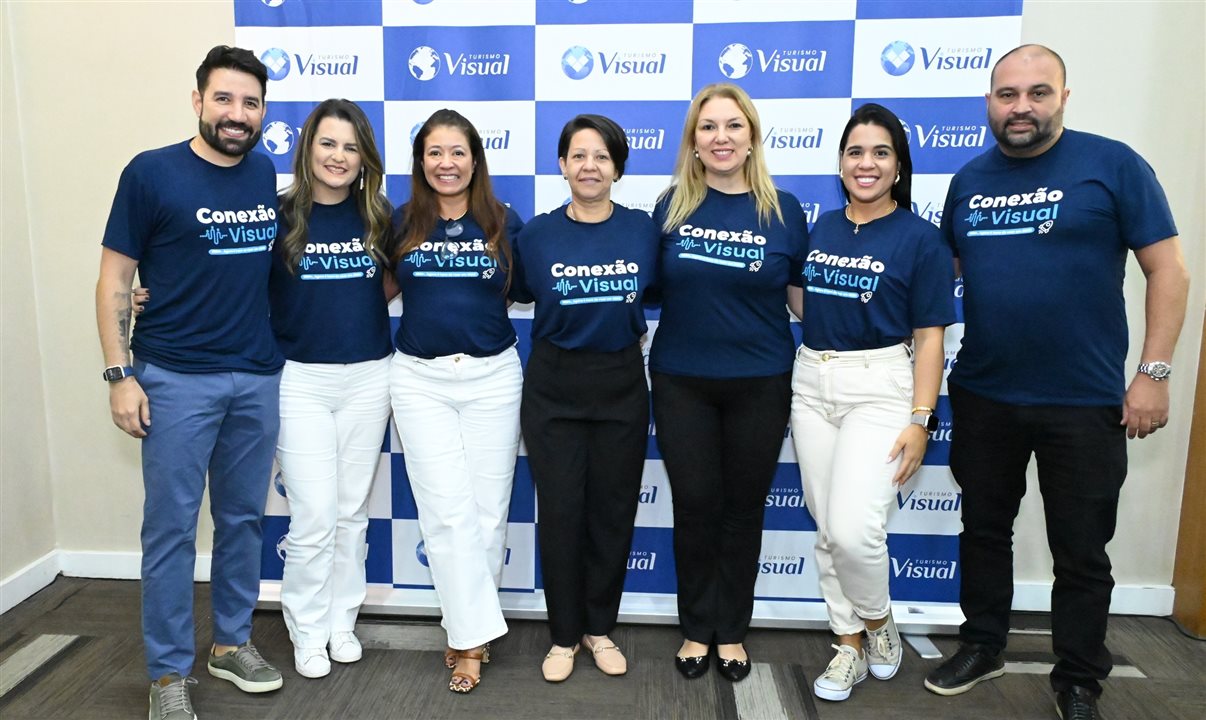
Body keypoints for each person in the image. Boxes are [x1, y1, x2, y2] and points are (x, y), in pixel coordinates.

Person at [922, 45, 1189, 720]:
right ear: (989, 101)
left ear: (1063, 97)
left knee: (1080, 549)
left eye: (1037, 93)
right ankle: (983, 645)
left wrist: (1152, 375)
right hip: (985, 392)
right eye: (1007, 94)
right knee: (983, 530)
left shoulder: (1113, 165)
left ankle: (1078, 678)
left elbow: (1170, 272)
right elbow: (938, 278)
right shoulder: (969, 179)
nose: (1021, 107)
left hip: (1086, 398)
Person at [95, 45, 285, 720]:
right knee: (171, 530)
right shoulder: (150, 174)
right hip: (174, 378)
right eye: (225, 99)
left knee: (241, 520)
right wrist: (121, 374)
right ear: (198, 100)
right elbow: (116, 278)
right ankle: (169, 671)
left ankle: (230, 644)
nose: (237, 114)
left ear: (262, 112)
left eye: (251, 102)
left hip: (256, 378)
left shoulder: (264, 174)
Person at [788, 103, 955, 702]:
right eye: (855, 152)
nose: (867, 163)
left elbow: (932, 336)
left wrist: (921, 418)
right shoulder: (823, 227)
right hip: (812, 382)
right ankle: (849, 644)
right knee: (828, 530)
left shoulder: (921, 239)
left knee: (854, 528)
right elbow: (806, 302)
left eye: (880, 152)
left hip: (881, 385)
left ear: (899, 166)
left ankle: (881, 623)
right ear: (840, 163)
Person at [650, 82, 808, 682]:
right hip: (681, 380)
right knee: (694, 506)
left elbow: (801, 300)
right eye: (709, 127)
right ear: (693, 142)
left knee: (743, 508)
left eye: (733, 126)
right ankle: (697, 629)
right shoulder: (670, 207)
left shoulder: (784, 210)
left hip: (761, 381)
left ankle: (732, 631)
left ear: (752, 138)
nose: (721, 137)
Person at [511, 114, 659, 683]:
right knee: (562, 513)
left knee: (613, 512)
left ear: (617, 167)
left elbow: (659, 291)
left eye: (600, 156)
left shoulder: (645, 231)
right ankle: (564, 636)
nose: (589, 166)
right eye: (578, 155)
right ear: (561, 165)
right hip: (553, 386)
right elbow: (522, 292)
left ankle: (600, 629)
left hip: (621, 383)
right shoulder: (536, 236)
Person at [388, 108, 524, 694]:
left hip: (494, 377)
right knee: (445, 513)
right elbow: (373, 290)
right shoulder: (400, 221)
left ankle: (468, 626)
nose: (447, 163)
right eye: (435, 152)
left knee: (489, 512)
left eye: (458, 152)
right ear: (421, 161)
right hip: (420, 380)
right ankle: (470, 639)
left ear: (476, 159)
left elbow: (532, 286)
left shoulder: (503, 221)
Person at [269, 100, 394, 679]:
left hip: (370, 375)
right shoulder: (278, 214)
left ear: (363, 156)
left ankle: (341, 621)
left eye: (350, 146)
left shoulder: (380, 218)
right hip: (301, 381)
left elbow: (394, 281)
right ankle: (306, 626)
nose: (338, 156)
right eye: (328, 143)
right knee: (314, 515)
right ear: (308, 149)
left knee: (350, 513)